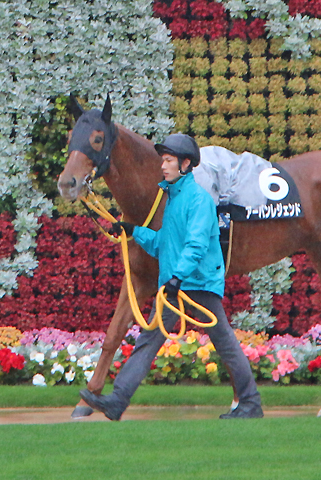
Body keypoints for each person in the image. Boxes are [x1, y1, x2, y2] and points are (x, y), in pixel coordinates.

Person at [79, 133, 263, 420]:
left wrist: (177, 277)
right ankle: (118, 400)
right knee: (148, 341)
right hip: (175, 285)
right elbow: (164, 242)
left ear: (185, 164)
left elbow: (196, 245)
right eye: (163, 160)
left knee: (225, 343)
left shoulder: (199, 199)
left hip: (198, 284)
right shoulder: (174, 198)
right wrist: (133, 231)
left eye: (168, 160)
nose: (162, 166)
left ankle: (250, 402)